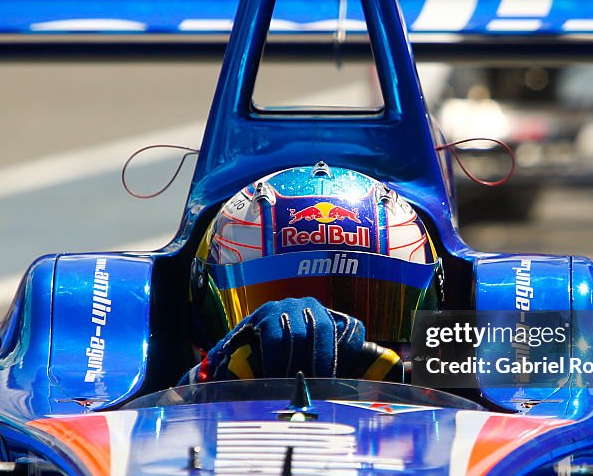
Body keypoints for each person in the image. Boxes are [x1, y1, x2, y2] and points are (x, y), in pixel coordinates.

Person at [180, 161, 443, 385]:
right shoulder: (189, 382)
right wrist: (209, 377)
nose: (319, 338)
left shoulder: (462, 361)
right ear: (206, 296)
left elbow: (477, 368)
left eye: (368, 312)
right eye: (278, 296)